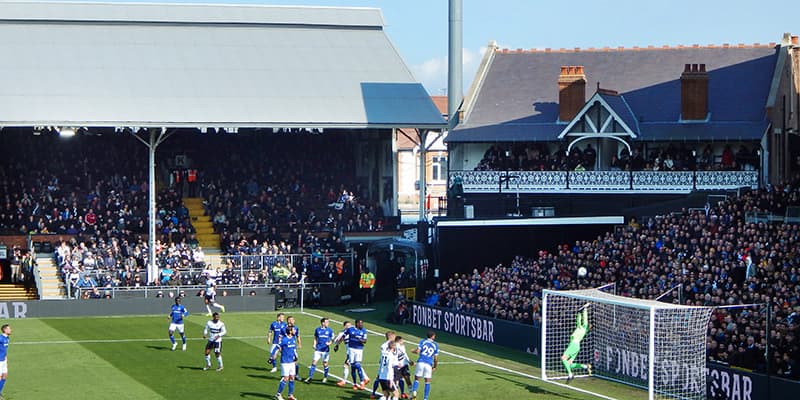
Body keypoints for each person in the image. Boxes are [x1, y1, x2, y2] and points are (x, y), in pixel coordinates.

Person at [561, 304, 592, 382]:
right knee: (569, 364)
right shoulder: (581, 328)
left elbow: (585, 320)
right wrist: (580, 312)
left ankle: (570, 374)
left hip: (574, 345)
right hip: (576, 346)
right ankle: (585, 366)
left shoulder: (584, 328)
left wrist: (584, 310)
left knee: (563, 358)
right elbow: (579, 320)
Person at [411, 331, 438, 400]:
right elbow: (436, 358)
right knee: (427, 381)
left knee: (417, 379)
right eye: (434, 336)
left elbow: (417, 351)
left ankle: (414, 392)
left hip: (420, 362)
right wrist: (435, 366)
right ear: (432, 336)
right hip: (429, 364)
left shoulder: (423, 341)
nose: (435, 337)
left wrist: (413, 351)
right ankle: (425, 398)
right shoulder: (435, 345)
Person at [306, 317, 334, 383]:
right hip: (318, 349)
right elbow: (315, 338)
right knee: (314, 362)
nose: (328, 323)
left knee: (325, 364)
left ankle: (325, 377)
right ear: (323, 323)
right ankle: (310, 377)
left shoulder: (330, 330)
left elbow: (333, 338)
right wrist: (314, 344)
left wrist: (329, 343)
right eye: (327, 322)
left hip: (325, 350)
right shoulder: (317, 330)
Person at [275, 323, 299, 400]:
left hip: (292, 361)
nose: (295, 330)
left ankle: (290, 395)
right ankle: (278, 394)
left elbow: (294, 350)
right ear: (290, 331)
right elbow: (277, 347)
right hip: (285, 362)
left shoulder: (293, 339)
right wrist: (274, 355)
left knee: (292, 377)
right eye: (294, 329)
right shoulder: (284, 340)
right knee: (286, 378)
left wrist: (296, 358)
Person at [371, 331, 397, 399]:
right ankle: (373, 392)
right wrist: (391, 379)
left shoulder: (384, 351)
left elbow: (381, 361)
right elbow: (389, 366)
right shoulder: (391, 355)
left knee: (386, 395)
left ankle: (373, 393)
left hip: (382, 374)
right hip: (387, 376)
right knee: (396, 394)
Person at [345, 319, 369, 390]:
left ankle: (362, 382)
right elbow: (343, 336)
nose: (362, 325)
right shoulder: (350, 329)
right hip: (351, 349)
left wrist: (359, 339)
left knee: (358, 365)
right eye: (360, 323)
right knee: (353, 367)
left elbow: (365, 341)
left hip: (359, 349)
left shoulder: (364, 331)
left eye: (362, 323)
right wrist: (337, 344)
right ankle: (355, 384)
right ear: (356, 324)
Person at [333, 320, 353, 387]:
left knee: (346, 366)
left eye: (350, 325)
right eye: (348, 326)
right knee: (356, 365)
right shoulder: (342, 333)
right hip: (350, 352)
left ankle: (344, 381)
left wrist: (336, 344)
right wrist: (336, 345)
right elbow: (336, 341)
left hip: (353, 352)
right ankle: (364, 379)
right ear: (345, 326)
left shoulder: (354, 332)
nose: (349, 327)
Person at [0, 324, 11, 399]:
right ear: (5, 330)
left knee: (5, 376)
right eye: (9, 329)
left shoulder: (7, 338)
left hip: (3, 361)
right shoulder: (0, 338)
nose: (11, 330)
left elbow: (5, 350)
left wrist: (6, 360)